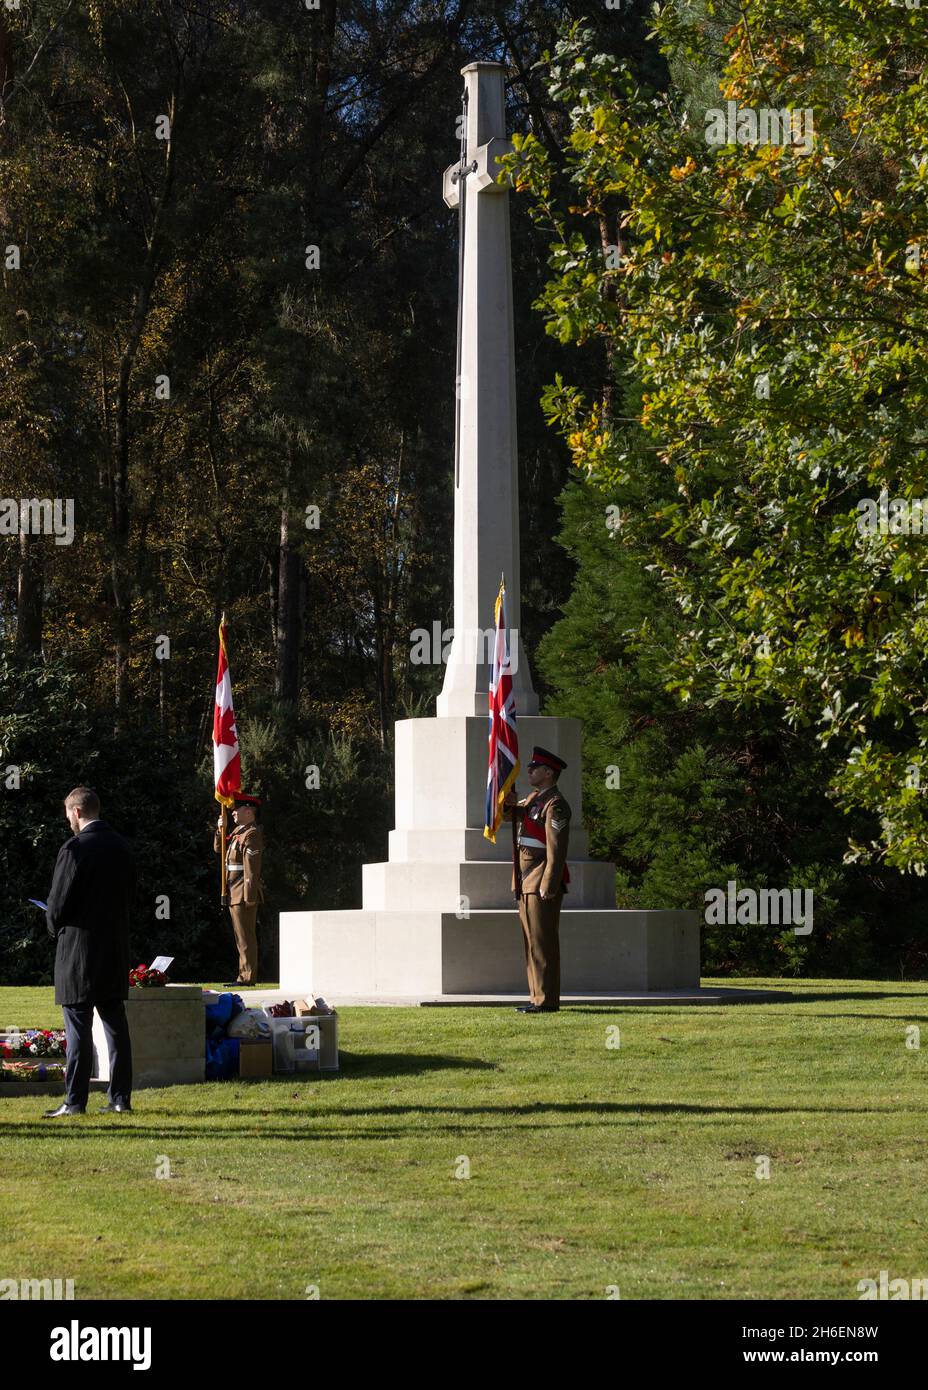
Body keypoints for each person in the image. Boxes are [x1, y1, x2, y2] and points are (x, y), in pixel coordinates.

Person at [44, 786, 137, 1117]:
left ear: (77, 812)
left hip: (79, 951)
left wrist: (52, 925)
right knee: (115, 1026)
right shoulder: (123, 847)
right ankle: (120, 1098)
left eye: (68, 813)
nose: (68, 819)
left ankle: (75, 1100)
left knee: (78, 1025)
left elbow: (58, 903)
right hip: (113, 946)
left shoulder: (75, 848)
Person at [502, 746, 571, 1013]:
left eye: (535, 768)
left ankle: (547, 1000)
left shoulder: (556, 805)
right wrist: (506, 797)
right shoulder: (534, 799)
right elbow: (509, 815)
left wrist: (549, 884)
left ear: (548, 773)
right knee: (531, 941)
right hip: (525, 879)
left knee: (543, 942)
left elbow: (556, 849)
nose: (529, 771)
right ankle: (536, 996)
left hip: (540, 879)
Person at [214, 793, 264, 986]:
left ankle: (247, 977)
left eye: (237, 809)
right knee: (240, 937)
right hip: (234, 890)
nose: (233, 812)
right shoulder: (237, 833)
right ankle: (243, 974)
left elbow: (252, 869)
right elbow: (219, 849)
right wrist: (221, 829)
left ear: (249, 811)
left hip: (243, 892)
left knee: (246, 937)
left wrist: (249, 896)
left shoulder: (251, 834)